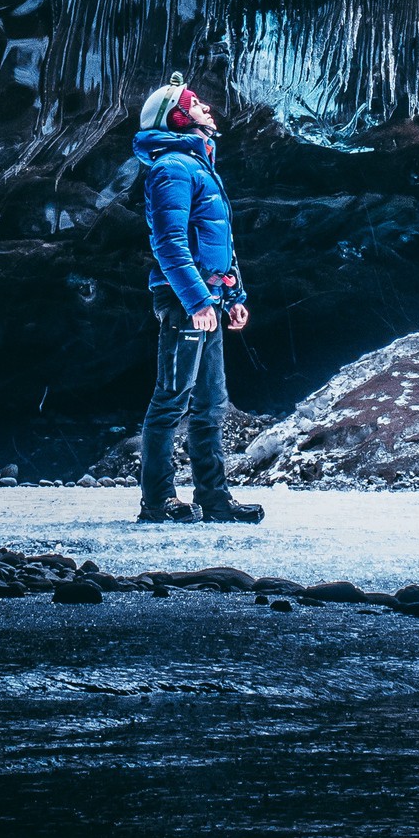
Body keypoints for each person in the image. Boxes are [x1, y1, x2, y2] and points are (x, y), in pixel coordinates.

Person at [133, 74, 264, 525]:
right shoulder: (172, 168)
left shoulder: (200, 166)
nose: (206, 105)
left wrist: (233, 295)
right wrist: (195, 301)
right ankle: (158, 502)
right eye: (195, 102)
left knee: (210, 403)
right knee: (172, 399)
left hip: (207, 299)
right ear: (176, 116)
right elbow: (169, 244)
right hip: (185, 301)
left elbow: (216, 244)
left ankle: (215, 499)